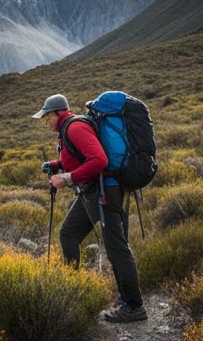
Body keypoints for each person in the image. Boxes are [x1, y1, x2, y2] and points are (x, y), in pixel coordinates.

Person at [34, 94, 147, 323]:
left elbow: (99, 160)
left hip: (104, 192)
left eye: (46, 117)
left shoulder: (74, 128)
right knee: (68, 233)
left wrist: (66, 178)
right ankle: (73, 291)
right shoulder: (67, 129)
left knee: (116, 248)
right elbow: (79, 158)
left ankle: (134, 306)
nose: (45, 122)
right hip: (91, 192)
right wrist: (56, 165)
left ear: (57, 113)